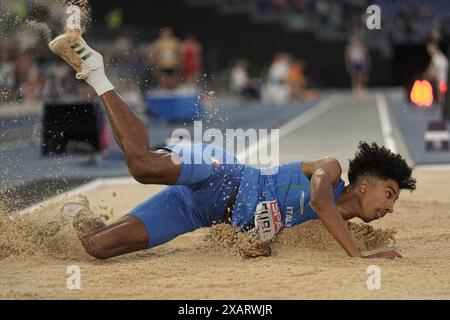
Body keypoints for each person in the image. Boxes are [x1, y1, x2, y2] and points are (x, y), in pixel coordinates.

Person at [49, 31, 416, 260]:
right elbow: (319, 201)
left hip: (199, 212)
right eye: (390, 194)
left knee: (98, 246)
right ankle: (95, 70)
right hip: (221, 174)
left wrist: (263, 243)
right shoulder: (330, 171)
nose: (390, 206)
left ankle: (74, 212)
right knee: (143, 166)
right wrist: (358, 256)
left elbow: (276, 223)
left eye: (394, 201)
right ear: (364, 184)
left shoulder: (334, 222)